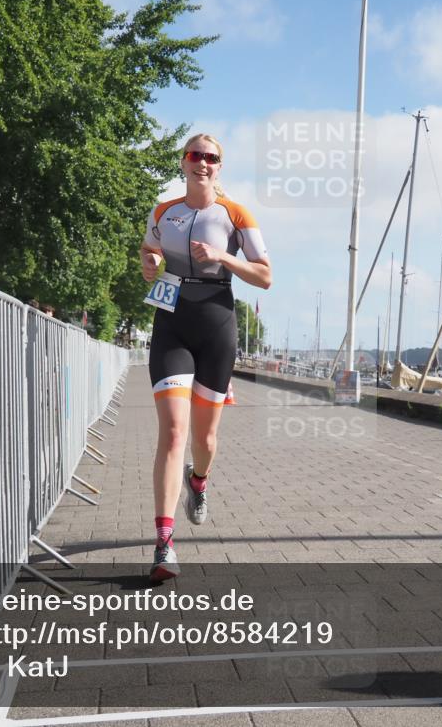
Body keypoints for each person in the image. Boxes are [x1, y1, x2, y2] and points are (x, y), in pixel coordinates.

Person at [141, 133, 271, 581]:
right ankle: (164, 544)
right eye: (195, 154)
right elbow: (149, 248)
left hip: (217, 319)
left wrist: (222, 256)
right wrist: (150, 260)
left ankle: (199, 482)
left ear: (220, 167)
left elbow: (265, 276)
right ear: (183, 161)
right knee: (174, 433)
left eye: (211, 157)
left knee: (204, 439)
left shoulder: (236, 215)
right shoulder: (164, 212)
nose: (203, 162)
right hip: (171, 321)